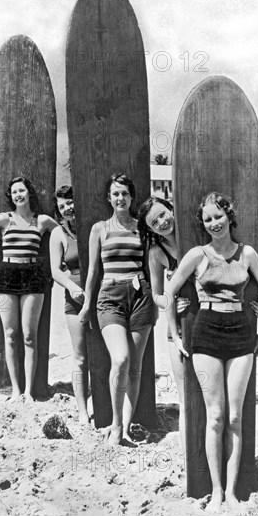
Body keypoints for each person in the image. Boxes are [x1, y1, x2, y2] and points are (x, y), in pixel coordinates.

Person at [163, 192, 258, 512]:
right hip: (206, 334)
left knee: (235, 417)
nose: (214, 223)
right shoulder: (197, 255)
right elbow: (170, 292)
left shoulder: (248, 253)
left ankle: (235, 493)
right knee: (215, 418)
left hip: (241, 335)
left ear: (229, 216)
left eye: (218, 216)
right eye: (207, 219)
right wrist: (174, 332)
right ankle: (217, 492)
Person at [137, 196, 258, 453]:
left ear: (172, 209)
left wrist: (257, 301)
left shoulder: (200, 239)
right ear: (149, 229)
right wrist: (172, 304)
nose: (163, 222)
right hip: (181, 330)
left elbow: (233, 272)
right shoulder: (157, 253)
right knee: (187, 400)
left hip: (213, 325)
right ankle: (190, 462)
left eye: (164, 214)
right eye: (154, 222)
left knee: (222, 408)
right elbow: (158, 295)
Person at [79, 173, 157, 445]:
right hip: (109, 297)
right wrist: (88, 303)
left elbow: (151, 267)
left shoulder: (142, 228)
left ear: (132, 196)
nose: (120, 198)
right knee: (121, 359)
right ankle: (115, 424)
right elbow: (92, 271)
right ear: (108, 198)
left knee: (135, 368)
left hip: (140, 297)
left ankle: (124, 426)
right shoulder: (99, 229)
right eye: (115, 194)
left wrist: (157, 300)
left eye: (124, 193)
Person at [0, 176, 57, 400]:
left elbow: (62, 236)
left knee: (30, 336)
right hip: (6, 276)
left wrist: (59, 264)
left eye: (22, 190)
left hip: (33, 277)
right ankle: (16, 390)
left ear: (29, 192)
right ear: (11, 197)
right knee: (10, 335)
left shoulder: (42, 221)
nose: (18, 195)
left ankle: (29, 391)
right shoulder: (4, 219)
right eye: (14, 192)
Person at [50, 185, 89, 424]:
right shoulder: (58, 233)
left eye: (70, 202)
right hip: (74, 298)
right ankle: (83, 409)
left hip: (101, 294)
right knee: (80, 356)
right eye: (62, 206)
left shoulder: (92, 226)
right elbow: (55, 270)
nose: (67, 208)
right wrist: (72, 287)